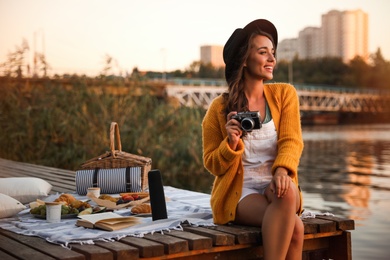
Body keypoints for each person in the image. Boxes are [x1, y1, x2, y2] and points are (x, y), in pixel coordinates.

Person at [202, 19, 304, 260]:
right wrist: (231, 144)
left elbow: (292, 141)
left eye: (273, 53)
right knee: (296, 229)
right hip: (241, 193)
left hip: (278, 183)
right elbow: (212, 164)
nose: (272, 59)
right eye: (263, 52)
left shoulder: (284, 95)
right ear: (245, 60)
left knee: (286, 192)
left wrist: (281, 171)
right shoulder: (219, 109)